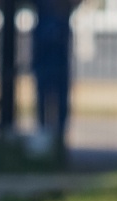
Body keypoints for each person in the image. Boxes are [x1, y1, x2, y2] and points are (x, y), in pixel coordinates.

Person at [32, 0, 76, 157]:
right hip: (45, 32)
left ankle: (58, 137)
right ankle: (44, 133)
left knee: (59, 88)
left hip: (57, 32)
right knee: (44, 87)